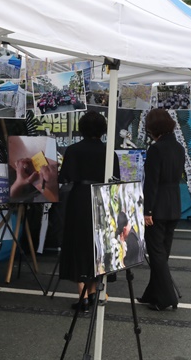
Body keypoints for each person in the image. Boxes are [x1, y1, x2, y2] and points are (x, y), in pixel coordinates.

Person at [58, 110, 120, 313]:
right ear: (103, 130)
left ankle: (83, 297)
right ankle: (93, 293)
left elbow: (65, 177)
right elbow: (116, 179)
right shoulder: (109, 151)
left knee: (79, 244)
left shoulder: (74, 150)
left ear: (82, 128)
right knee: (98, 245)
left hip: (81, 199)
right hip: (103, 199)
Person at [136, 109, 185, 311]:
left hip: (157, 206)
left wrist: (147, 210)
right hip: (174, 203)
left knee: (156, 253)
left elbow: (152, 183)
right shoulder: (179, 148)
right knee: (163, 253)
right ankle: (152, 293)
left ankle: (167, 298)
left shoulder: (156, 149)